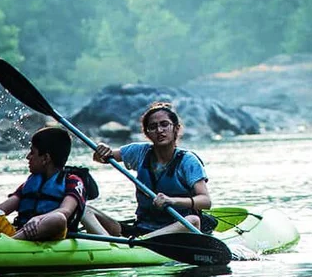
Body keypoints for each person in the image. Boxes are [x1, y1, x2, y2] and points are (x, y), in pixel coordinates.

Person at [88, 101, 218, 239]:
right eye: (153, 127)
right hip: (142, 229)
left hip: (178, 229)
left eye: (164, 124)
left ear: (176, 128)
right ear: (147, 133)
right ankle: (109, 242)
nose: (159, 130)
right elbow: (101, 158)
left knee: (194, 220)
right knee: (86, 211)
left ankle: (141, 244)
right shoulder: (139, 151)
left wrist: (172, 201)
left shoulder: (188, 161)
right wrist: (100, 150)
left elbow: (205, 201)